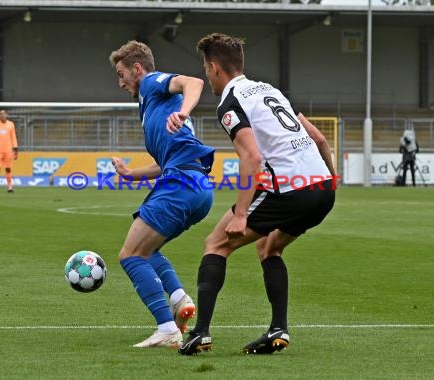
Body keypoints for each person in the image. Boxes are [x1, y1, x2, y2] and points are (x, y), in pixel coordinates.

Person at [177, 33, 337, 356]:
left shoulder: (230, 101)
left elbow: (251, 157)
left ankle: (200, 334)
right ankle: (278, 330)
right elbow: (320, 140)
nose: (208, 76)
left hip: (291, 188)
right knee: (269, 246)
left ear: (213, 67)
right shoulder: (270, 90)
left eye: (207, 70)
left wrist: (240, 215)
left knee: (216, 244)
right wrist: (332, 179)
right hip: (322, 188)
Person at [108, 41, 215, 348]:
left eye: (122, 73)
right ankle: (180, 299)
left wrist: (183, 111)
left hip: (181, 184)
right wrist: (129, 174)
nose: (120, 82)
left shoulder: (153, 84)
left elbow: (192, 82)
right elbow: (162, 162)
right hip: (194, 186)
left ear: (137, 69)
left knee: (130, 255)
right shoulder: (151, 105)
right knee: (147, 249)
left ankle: (167, 328)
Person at [0, 108, 18, 192]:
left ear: (7, 115)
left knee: (8, 168)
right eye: (1, 114)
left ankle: (9, 186)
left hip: (8, 150)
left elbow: (13, 137)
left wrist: (15, 149)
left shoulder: (11, 124)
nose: (2, 115)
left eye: (4, 113)